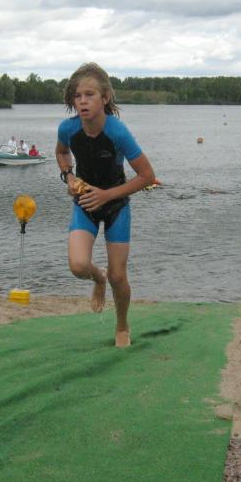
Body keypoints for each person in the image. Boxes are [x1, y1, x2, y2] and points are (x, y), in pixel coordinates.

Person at [55, 63, 155, 348]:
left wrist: (107, 195)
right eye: (78, 96)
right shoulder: (68, 129)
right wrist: (69, 176)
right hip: (85, 202)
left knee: (118, 276)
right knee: (78, 266)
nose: (83, 101)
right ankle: (98, 279)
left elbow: (147, 176)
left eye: (90, 95)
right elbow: (62, 153)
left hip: (115, 205)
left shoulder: (117, 132)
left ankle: (122, 325)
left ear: (105, 98)